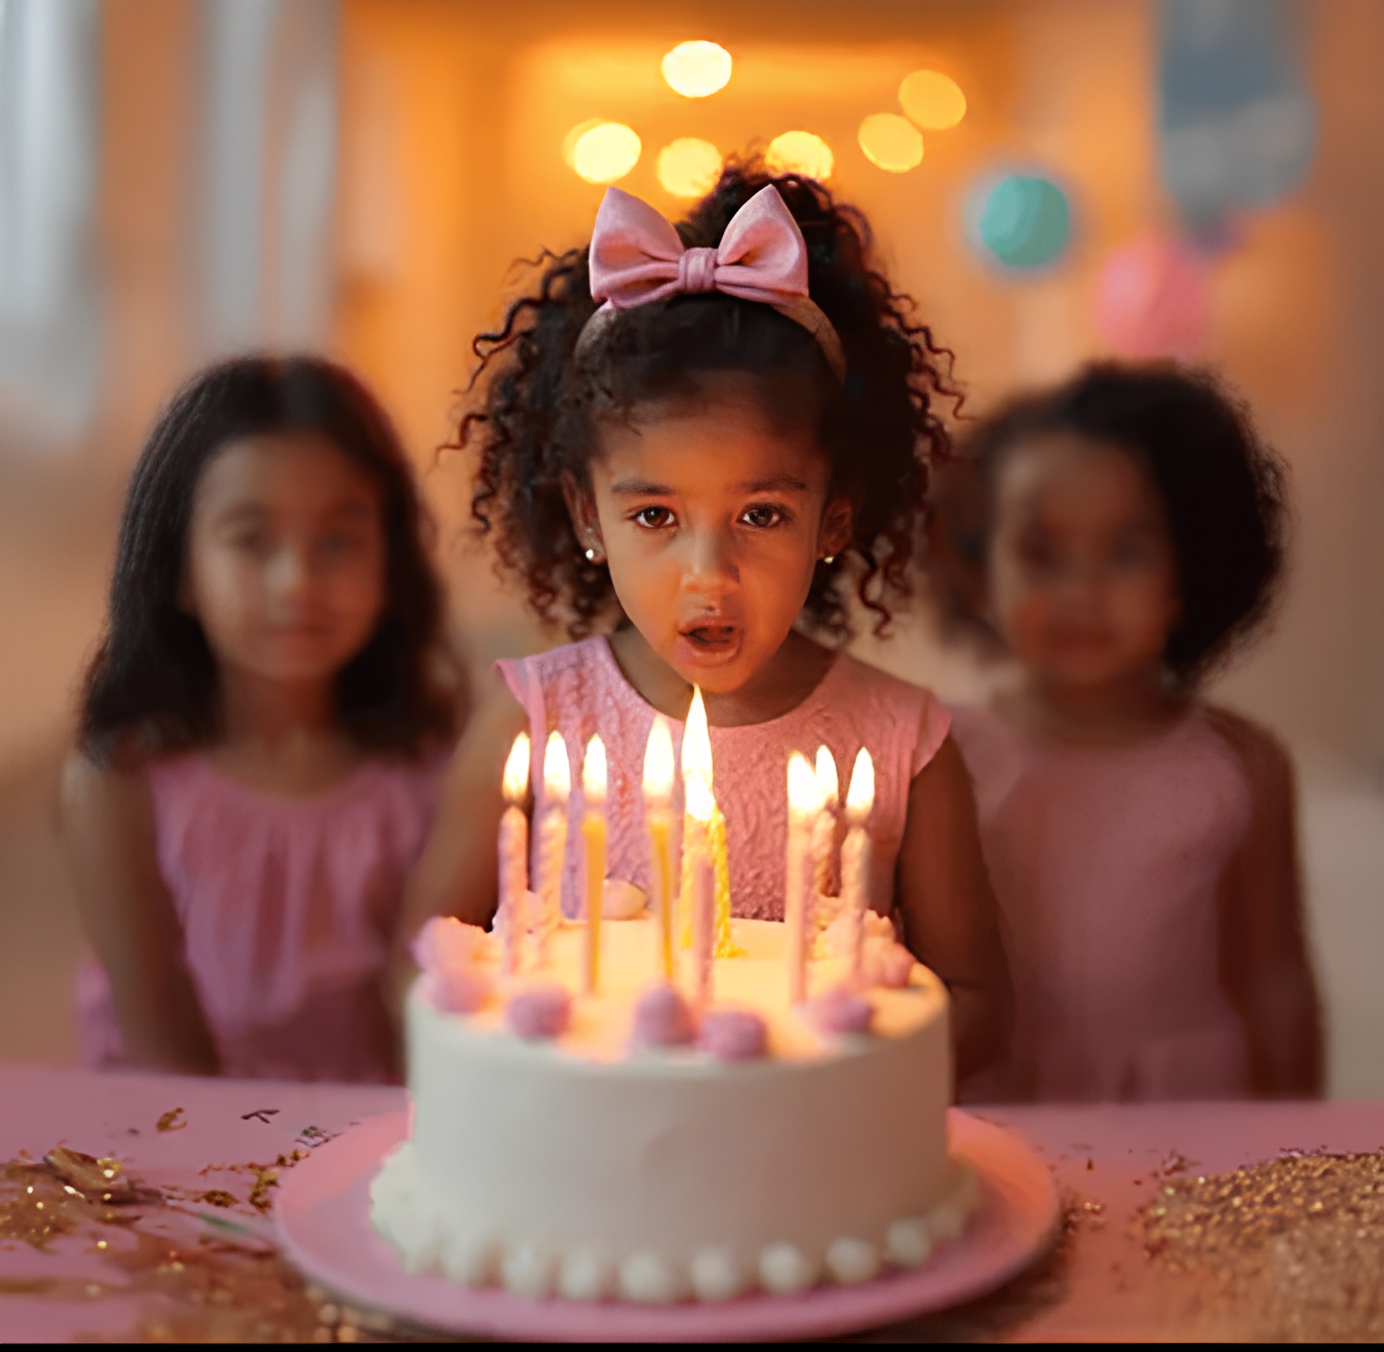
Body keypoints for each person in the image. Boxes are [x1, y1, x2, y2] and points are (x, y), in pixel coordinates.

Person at [401, 161, 1012, 1089]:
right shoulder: (529, 723)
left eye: (761, 514)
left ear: (833, 517)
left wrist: (826, 1083)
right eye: (655, 517)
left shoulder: (907, 747)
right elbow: (417, 971)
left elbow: (975, 997)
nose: (708, 575)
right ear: (586, 517)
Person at [930, 361, 1323, 1100]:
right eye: (1043, 554)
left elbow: (1275, 976)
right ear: (982, 570)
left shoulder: (1239, 768)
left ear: (1189, 572)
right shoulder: (943, 752)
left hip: (1194, 1112)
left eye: (1125, 552)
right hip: (1008, 1102)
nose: (1082, 593)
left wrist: (1302, 1140)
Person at [61, 356, 458, 1082]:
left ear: (388, 561)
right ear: (178, 569)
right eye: (251, 539)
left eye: (337, 542)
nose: (297, 582)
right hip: (173, 1149)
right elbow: (161, 1045)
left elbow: (430, 1025)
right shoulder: (116, 784)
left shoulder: (435, 771)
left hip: (364, 1147)